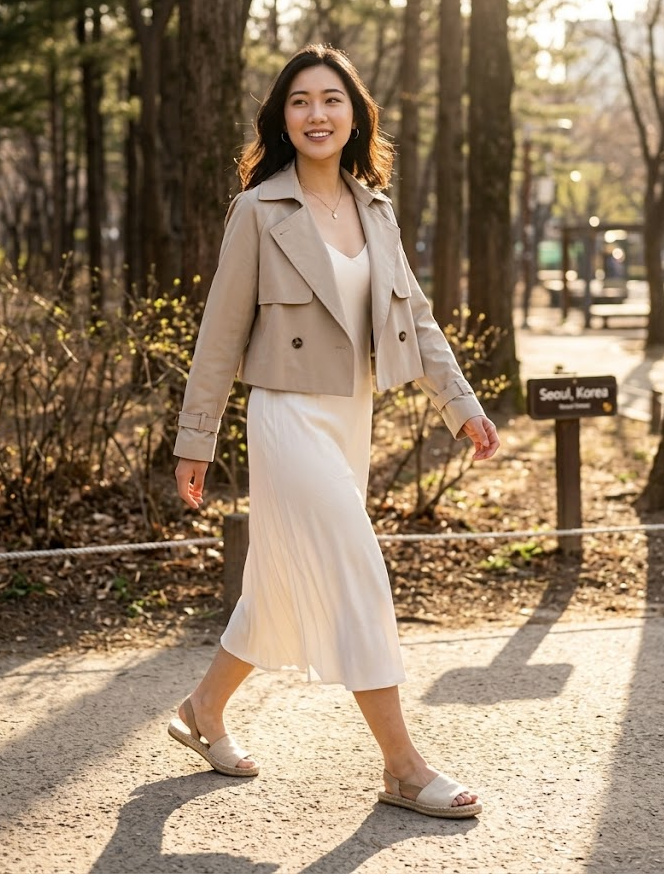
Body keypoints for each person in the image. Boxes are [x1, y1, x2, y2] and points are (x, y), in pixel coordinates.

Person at [169, 44, 500, 820]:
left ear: (355, 116)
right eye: (299, 102)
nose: (316, 115)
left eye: (331, 101)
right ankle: (403, 768)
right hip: (286, 416)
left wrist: (462, 402)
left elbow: (412, 318)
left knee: (278, 583)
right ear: (281, 120)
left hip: (351, 413)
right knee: (355, 571)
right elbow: (220, 333)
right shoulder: (258, 210)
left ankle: (200, 710)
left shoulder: (374, 210)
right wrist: (196, 438)